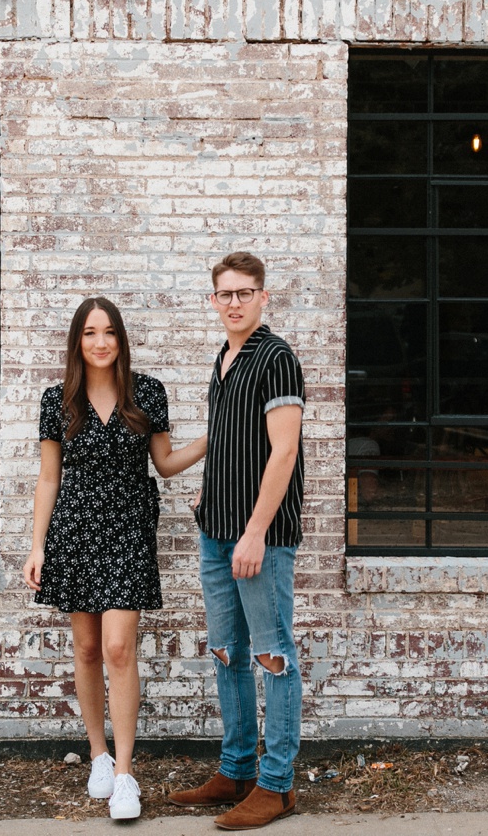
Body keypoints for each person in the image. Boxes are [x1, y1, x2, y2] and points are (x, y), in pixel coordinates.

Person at [23, 296, 206, 821]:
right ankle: (98, 755)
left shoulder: (147, 392)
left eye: (109, 333)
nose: (100, 342)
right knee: (85, 648)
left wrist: (214, 438)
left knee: (119, 647)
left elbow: (165, 464)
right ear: (77, 342)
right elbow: (48, 478)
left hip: (127, 531)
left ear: (121, 341)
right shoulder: (56, 400)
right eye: (89, 333)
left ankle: (125, 773)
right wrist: (36, 546)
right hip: (75, 533)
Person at [169, 251, 305, 831]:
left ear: (263, 296)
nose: (234, 302)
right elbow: (231, 437)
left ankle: (276, 786)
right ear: (212, 300)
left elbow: (284, 450)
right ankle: (236, 770)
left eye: (244, 292)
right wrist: (207, 492)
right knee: (226, 652)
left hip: (261, 539)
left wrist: (253, 530)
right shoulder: (224, 358)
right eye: (224, 294)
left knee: (273, 657)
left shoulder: (276, 358)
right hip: (216, 532)